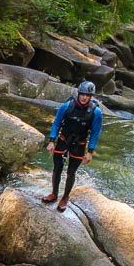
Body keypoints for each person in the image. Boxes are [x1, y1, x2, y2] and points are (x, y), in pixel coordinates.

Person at [42, 80, 104, 212]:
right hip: (63, 140)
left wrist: (90, 151)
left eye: (87, 95)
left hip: (79, 145)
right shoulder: (67, 106)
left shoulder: (96, 112)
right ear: (78, 93)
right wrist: (52, 140)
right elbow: (56, 123)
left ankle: (65, 197)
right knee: (57, 168)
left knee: (71, 172)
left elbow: (95, 133)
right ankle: (54, 193)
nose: (84, 97)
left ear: (91, 97)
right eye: (82, 94)